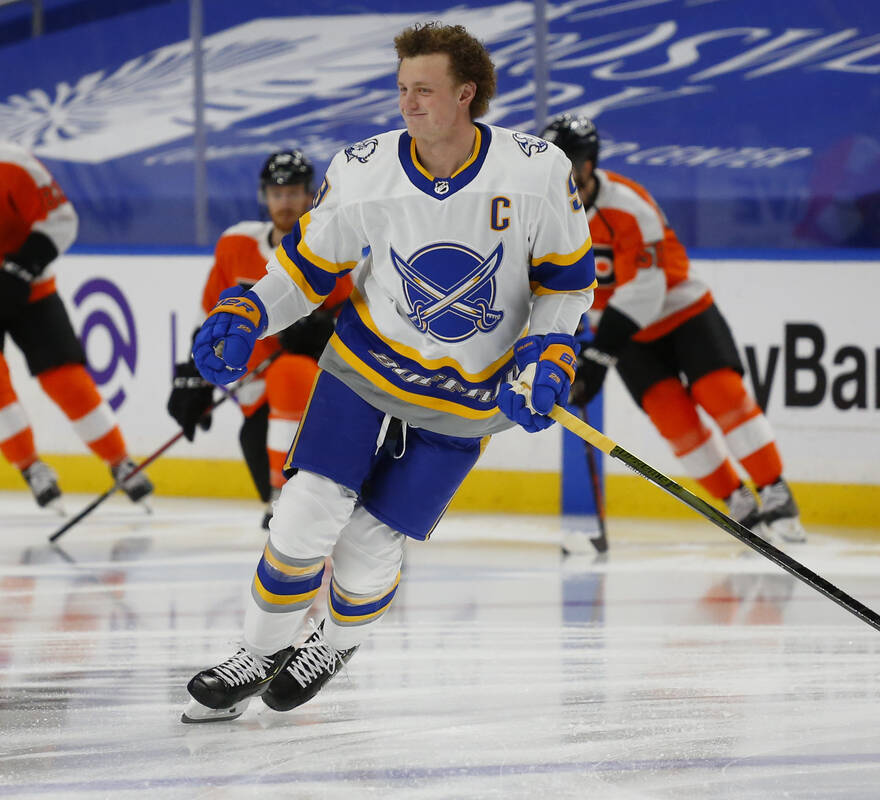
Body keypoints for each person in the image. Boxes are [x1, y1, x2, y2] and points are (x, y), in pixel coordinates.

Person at [181, 22, 594, 722]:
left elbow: (567, 282)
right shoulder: (365, 167)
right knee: (305, 512)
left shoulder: (535, 170)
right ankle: (257, 651)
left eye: (424, 89)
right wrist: (253, 309)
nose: (407, 103)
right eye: (402, 88)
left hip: (469, 396)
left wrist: (552, 349)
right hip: (365, 368)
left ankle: (335, 643)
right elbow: (308, 269)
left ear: (466, 94)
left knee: (369, 548)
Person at [540, 114, 805, 544]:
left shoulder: (627, 205)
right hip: (626, 335)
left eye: (568, 163)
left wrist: (600, 354)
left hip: (682, 312)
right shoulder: (544, 215)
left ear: (588, 165)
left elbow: (646, 289)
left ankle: (775, 491)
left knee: (721, 394)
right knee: (673, 419)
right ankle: (737, 503)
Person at [167, 150, 352, 528]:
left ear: (310, 195)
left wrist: (321, 332)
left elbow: (353, 320)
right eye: (277, 192)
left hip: (313, 393)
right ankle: (281, 494)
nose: (285, 202)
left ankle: (285, 496)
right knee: (256, 446)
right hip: (256, 393)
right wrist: (195, 376)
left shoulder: (330, 244)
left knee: (288, 373)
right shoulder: (235, 244)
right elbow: (211, 318)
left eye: (295, 192)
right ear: (264, 195)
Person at [0, 142, 153, 508]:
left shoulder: (13, 164)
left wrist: (21, 268)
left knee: (64, 377)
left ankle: (119, 461)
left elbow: (61, 219)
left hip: (30, 287)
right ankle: (30, 466)